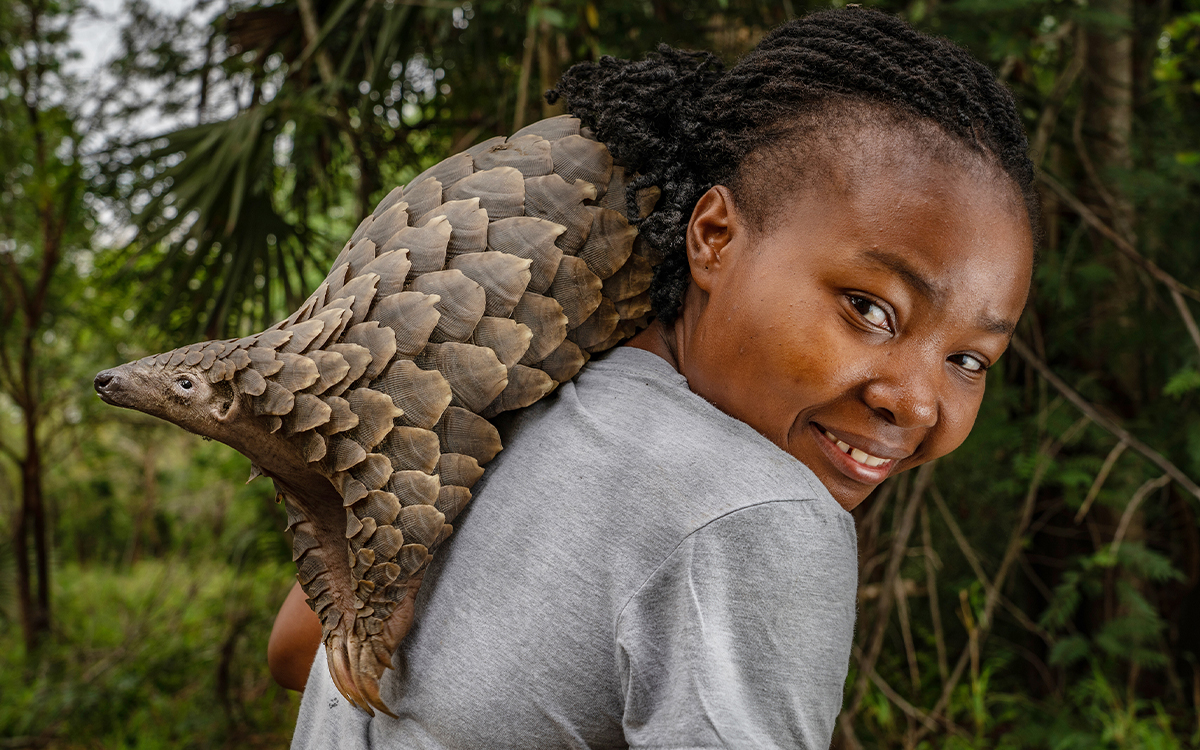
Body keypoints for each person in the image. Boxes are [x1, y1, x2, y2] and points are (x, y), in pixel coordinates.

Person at [275, 7, 1037, 748]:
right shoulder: (761, 515)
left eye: (969, 360)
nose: (915, 401)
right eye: (870, 309)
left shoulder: (507, 404)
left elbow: (294, 649)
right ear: (713, 237)